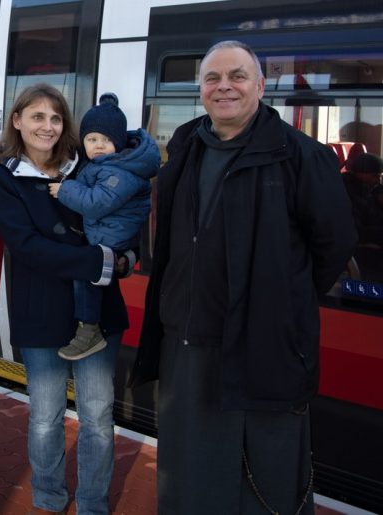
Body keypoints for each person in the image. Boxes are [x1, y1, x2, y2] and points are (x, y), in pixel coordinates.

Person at [131, 40, 357, 514]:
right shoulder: (187, 147)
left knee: (262, 477)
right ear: (201, 89)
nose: (224, 87)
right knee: (190, 473)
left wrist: (281, 301)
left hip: (262, 346)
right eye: (213, 78)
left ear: (260, 85)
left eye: (237, 76)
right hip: (186, 345)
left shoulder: (299, 156)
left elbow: (334, 244)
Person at [0, 83, 132, 515]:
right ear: (17, 121)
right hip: (40, 312)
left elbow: (123, 217)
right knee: (47, 417)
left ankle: (92, 503)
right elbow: (26, 246)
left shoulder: (87, 165)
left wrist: (126, 256)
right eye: (37, 116)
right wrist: (96, 262)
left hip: (99, 312)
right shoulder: (4, 176)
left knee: (98, 419)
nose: (47, 126)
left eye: (55, 118)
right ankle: (49, 498)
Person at [49, 95, 159, 360]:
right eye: (92, 139)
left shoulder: (119, 172)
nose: (98, 146)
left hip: (111, 238)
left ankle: (89, 331)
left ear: (118, 143)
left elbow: (97, 203)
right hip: (108, 234)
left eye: (106, 141)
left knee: (87, 277)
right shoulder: (105, 165)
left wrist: (65, 189)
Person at [342, 152, 383, 281]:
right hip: (359, 252)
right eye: (375, 176)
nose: (378, 181)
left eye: (380, 176)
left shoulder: (374, 191)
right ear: (360, 173)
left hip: (380, 245)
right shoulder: (347, 194)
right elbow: (356, 231)